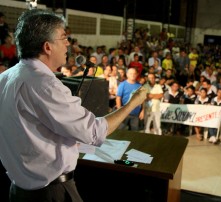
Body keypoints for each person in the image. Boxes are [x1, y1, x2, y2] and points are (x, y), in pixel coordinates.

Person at [0, 9, 147, 202]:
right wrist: (132, 103)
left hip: (18, 190)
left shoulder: (5, 77)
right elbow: (94, 132)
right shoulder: (45, 85)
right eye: (63, 38)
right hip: (51, 193)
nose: (68, 44)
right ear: (47, 47)